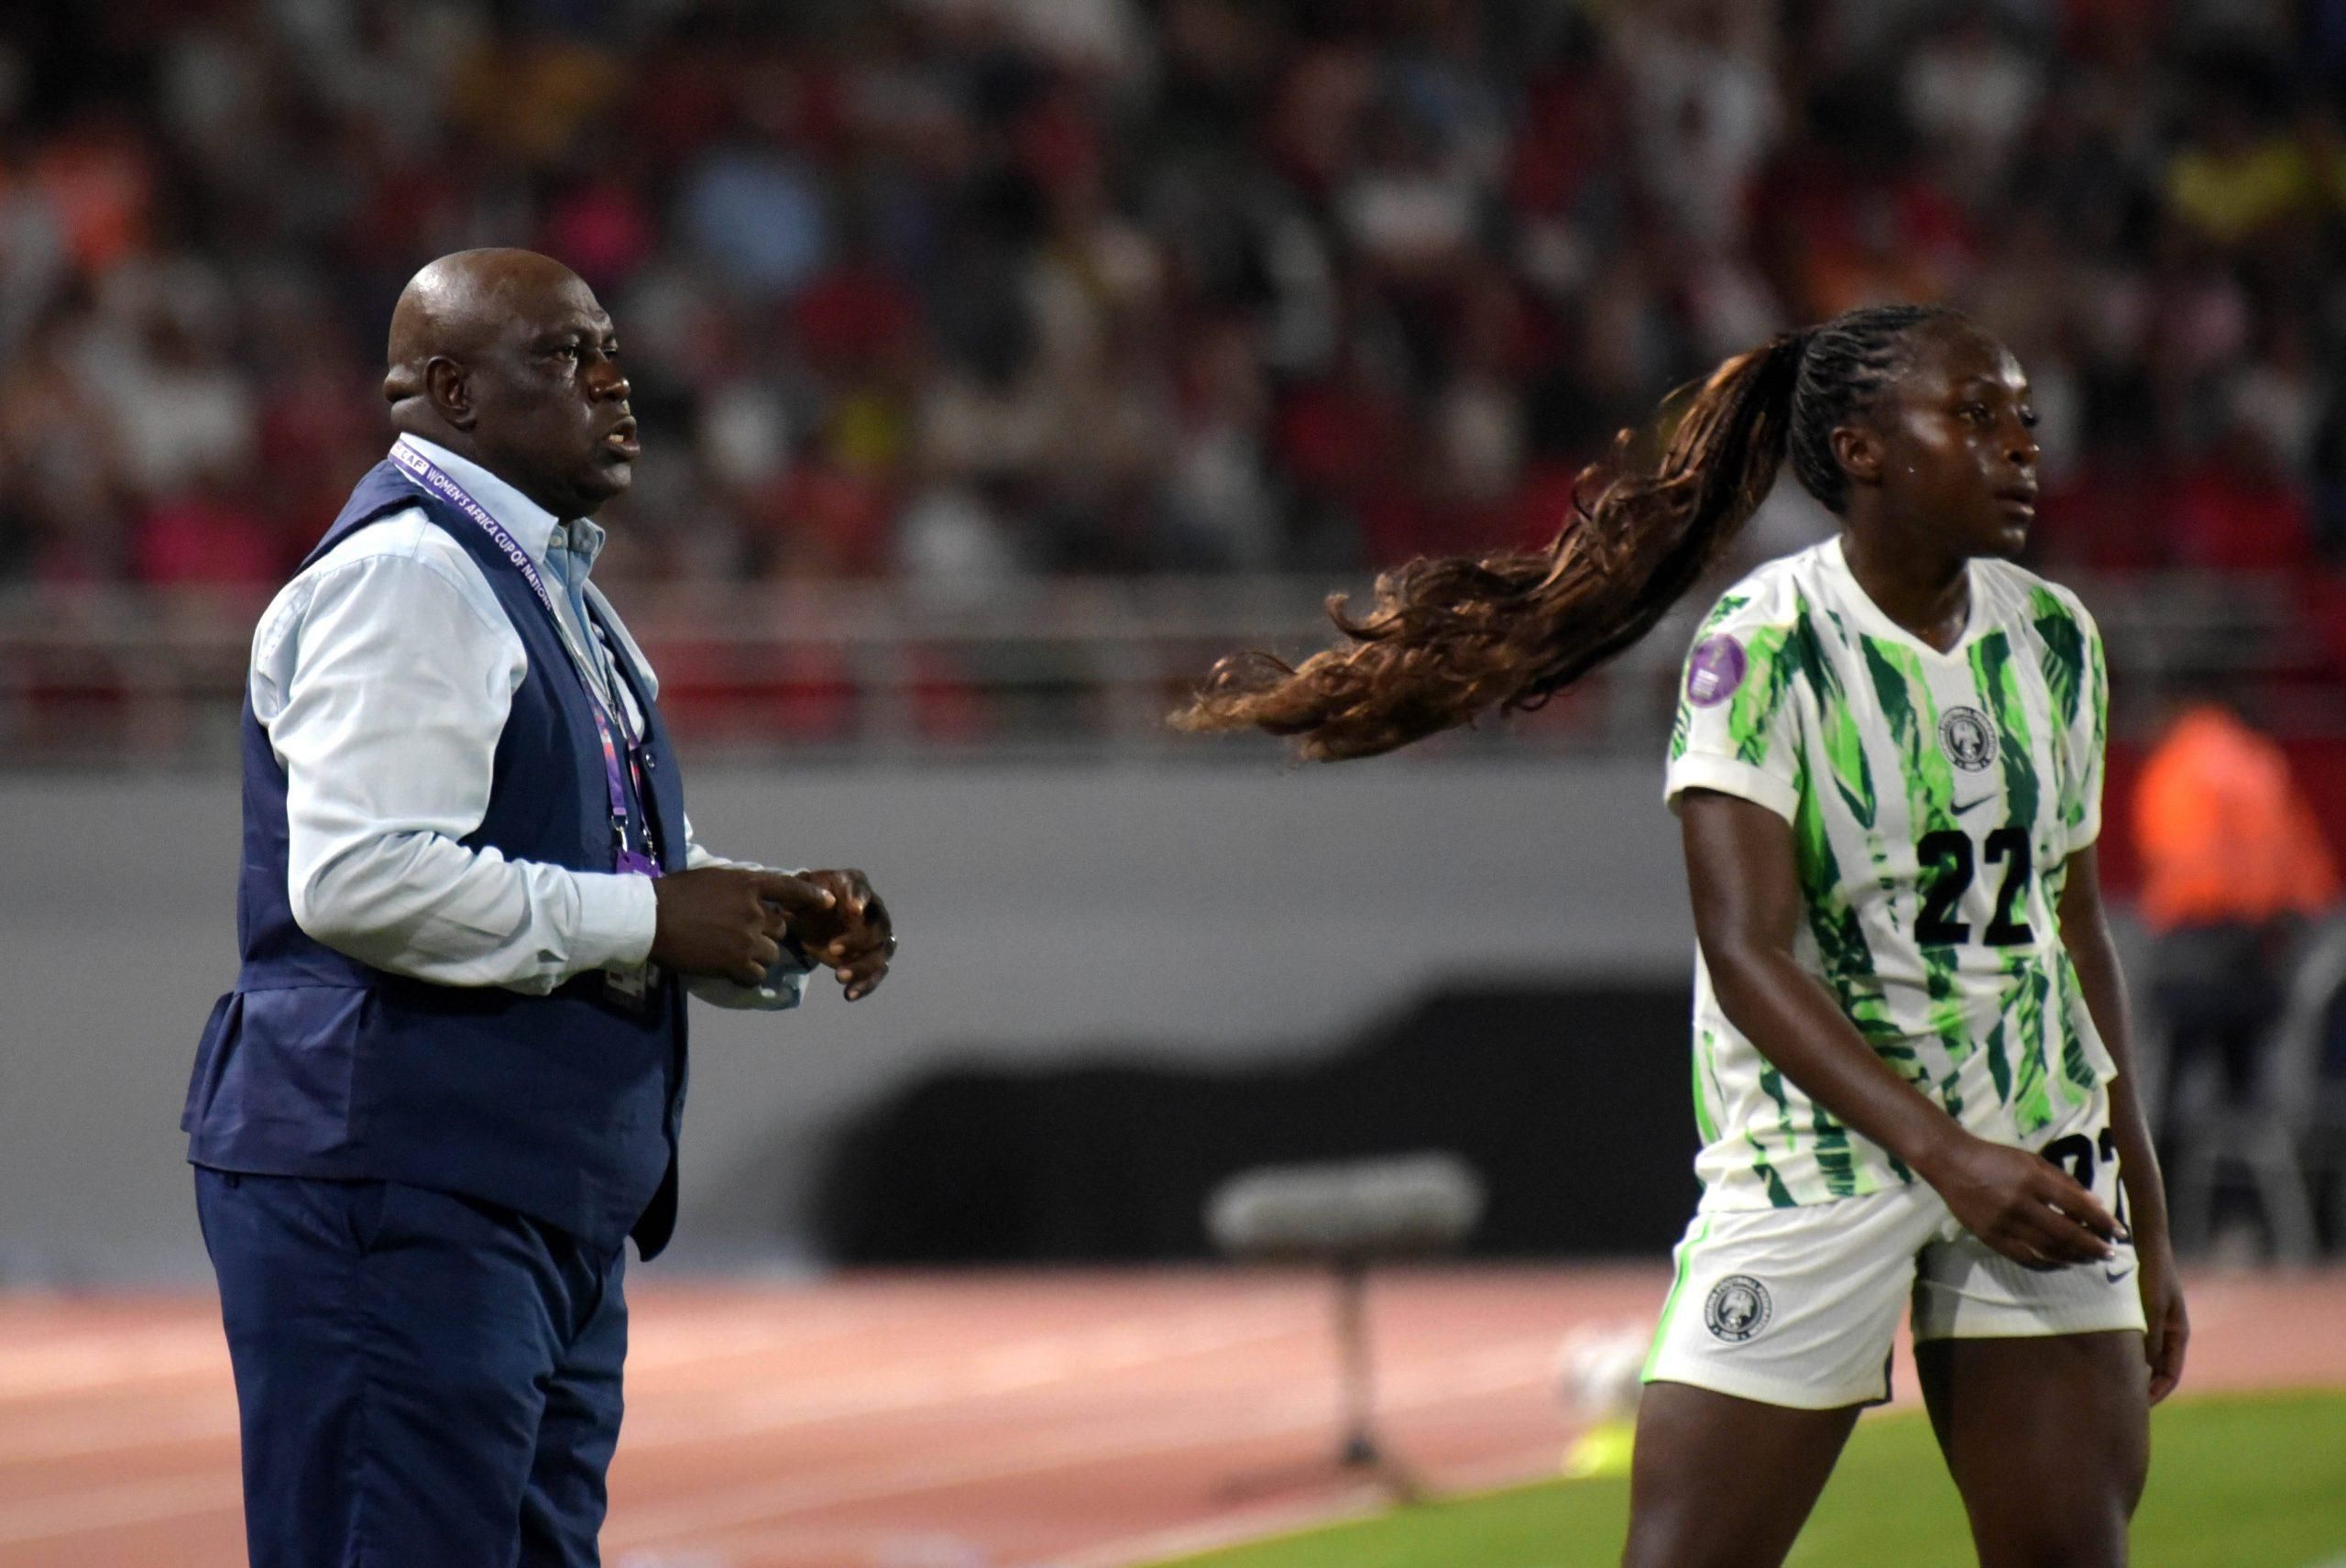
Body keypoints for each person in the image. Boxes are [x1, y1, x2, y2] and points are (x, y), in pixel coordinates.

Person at [1173, 303, 2185, 1568]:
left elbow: (2073, 929)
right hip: (1823, 1160)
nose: (2022, 445)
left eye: (2023, 417)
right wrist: (1946, 1156)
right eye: (1975, 416)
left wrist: (2147, 1209)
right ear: (1863, 449)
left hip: (2034, 1145)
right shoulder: (1765, 644)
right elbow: (1746, 955)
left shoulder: (2054, 636)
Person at [181, 248, 897, 1567]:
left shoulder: (546, 582)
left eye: (609, 349)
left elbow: (602, 852)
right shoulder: (412, 574)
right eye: (566, 356)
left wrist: (759, 913)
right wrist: (654, 920)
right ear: (452, 391)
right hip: (399, 1177)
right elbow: (359, 875)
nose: (614, 380)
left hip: (502, 1187)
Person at [2133, 687, 2339, 1142]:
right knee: (2243, 1089)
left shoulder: (2179, 763)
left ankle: (2164, 1173)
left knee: (2171, 1080)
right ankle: (2246, 1177)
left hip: (2197, 949)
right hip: (2257, 954)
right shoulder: (2259, 761)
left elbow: (2179, 868)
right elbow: (2309, 878)